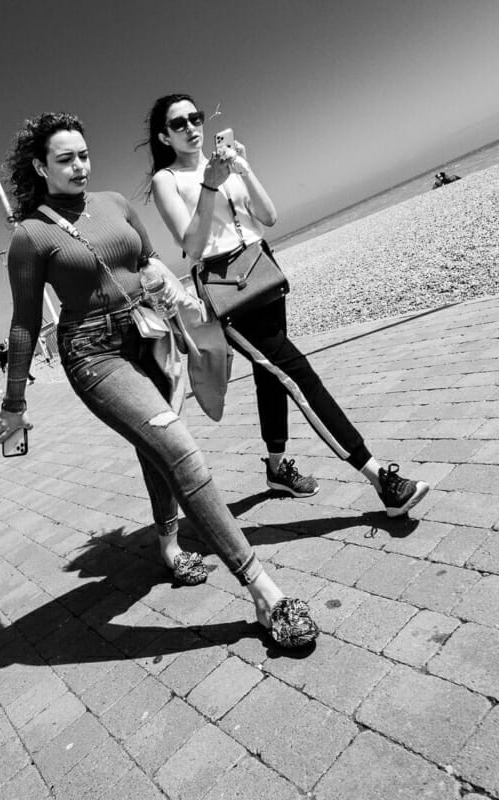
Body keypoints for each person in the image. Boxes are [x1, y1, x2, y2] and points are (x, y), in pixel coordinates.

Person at [0, 111, 319, 649]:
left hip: (147, 333)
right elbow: (24, 322)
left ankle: (168, 545)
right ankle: (266, 594)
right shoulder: (31, 235)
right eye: (65, 158)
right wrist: (13, 403)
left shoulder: (115, 203)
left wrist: (189, 309)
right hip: (93, 355)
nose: (79, 165)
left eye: (83, 154)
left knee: (157, 448)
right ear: (39, 166)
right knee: (179, 447)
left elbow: (148, 262)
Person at [145, 93, 429, 517]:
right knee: (298, 374)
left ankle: (277, 470)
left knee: (271, 377)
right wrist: (208, 184)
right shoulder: (168, 180)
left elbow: (269, 216)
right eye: (179, 123)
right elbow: (192, 246)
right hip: (226, 290)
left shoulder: (227, 165)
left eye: (195, 117)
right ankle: (379, 479)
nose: (191, 127)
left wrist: (242, 168)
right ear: (164, 136)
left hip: (261, 270)